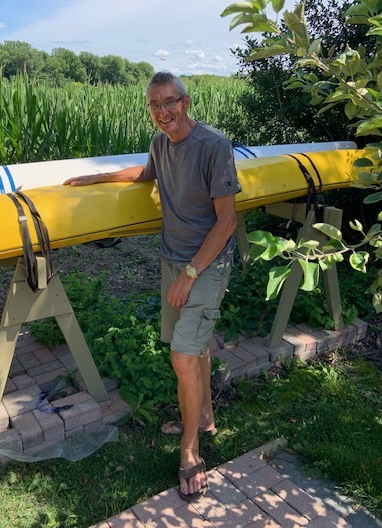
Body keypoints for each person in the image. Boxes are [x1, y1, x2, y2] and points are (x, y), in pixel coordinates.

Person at [64, 71, 239, 502]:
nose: (163, 112)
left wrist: (190, 274)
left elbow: (226, 222)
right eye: (155, 105)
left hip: (206, 264)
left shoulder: (214, 146)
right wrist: (95, 179)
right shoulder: (161, 143)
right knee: (194, 346)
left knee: (182, 355)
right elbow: (145, 174)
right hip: (174, 260)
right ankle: (204, 416)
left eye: (170, 102)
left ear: (186, 101)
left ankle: (190, 451)